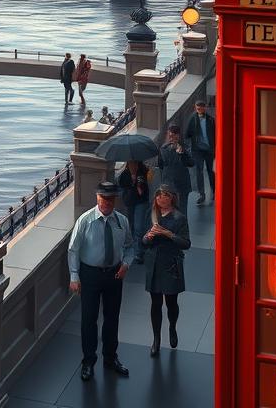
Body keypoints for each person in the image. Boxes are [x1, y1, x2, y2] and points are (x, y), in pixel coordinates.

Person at [68, 180, 133, 382]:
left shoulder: (122, 221)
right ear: (97, 198)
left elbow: (130, 246)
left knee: (112, 318)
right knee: (89, 319)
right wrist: (74, 276)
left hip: (114, 275)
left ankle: (110, 358)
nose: (107, 202)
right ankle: (88, 361)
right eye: (103, 198)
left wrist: (126, 264)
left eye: (110, 199)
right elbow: (73, 250)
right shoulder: (85, 221)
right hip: (90, 275)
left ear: (115, 200)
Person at [142, 184, 191, 356]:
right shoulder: (152, 214)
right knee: (155, 304)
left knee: (171, 302)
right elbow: (143, 240)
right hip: (154, 264)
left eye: (165, 195)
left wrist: (168, 234)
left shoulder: (179, 218)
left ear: (172, 198)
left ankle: (172, 327)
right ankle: (156, 339)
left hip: (170, 264)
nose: (161, 198)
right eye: (159, 195)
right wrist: (148, 237)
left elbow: (186, 244)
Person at [158, 125, 194, 221]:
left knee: (182, 212)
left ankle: (183, 234)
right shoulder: (163, 149)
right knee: (168, 213)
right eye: (170, 136)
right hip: (168, 185)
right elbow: (160, 164)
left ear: (178, 136)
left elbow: (191, 163)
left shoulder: (185, 147)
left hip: (182, 184)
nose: (172, 139)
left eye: (174, 136)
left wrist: (182, 154)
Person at [118, 160, 151, 264]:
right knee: (130, 225)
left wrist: (137, 183)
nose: (133, 166)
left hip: (141, 202)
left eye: (135, 164)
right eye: (131, 164)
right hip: (129, 202)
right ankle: (130, 249)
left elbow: (143, 190)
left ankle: (138, 252)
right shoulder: (124, 174)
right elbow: (121, 185)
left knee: (138, 227)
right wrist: (131, 181)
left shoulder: (143, 171)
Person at [185, 100, 216, 204]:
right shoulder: (192, 119)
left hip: (208, 149)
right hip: (197, 150)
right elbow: (187, 134)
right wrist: (190, 145)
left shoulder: (211, 120)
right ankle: (201, 194)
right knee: (199, 172)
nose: (198, 110)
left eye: (200, 108)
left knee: (210, 171)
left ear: (204, 108)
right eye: (197, 108)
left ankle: (214, 191)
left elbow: (215, 134)